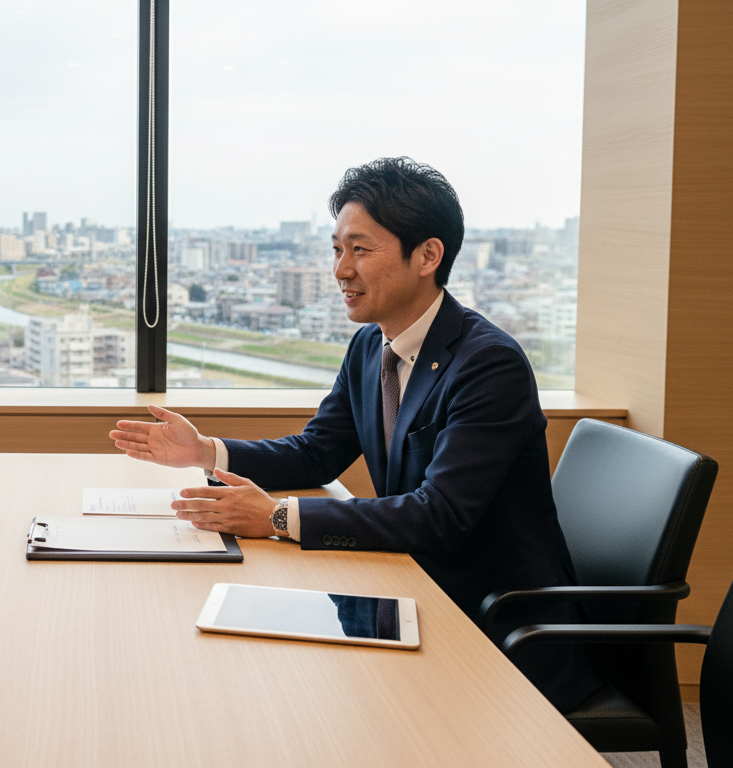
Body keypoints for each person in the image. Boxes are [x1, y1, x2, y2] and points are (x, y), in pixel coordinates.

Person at [109, 157, 600, 711]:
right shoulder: (372, 346)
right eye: (337, 250)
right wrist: (205, 452)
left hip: (492, 624)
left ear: (427, 256)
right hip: (412, 589)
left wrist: (275, 517)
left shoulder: (489, 365)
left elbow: (437, 516)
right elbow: (319, 452)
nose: (341, 270)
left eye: (360, 250)